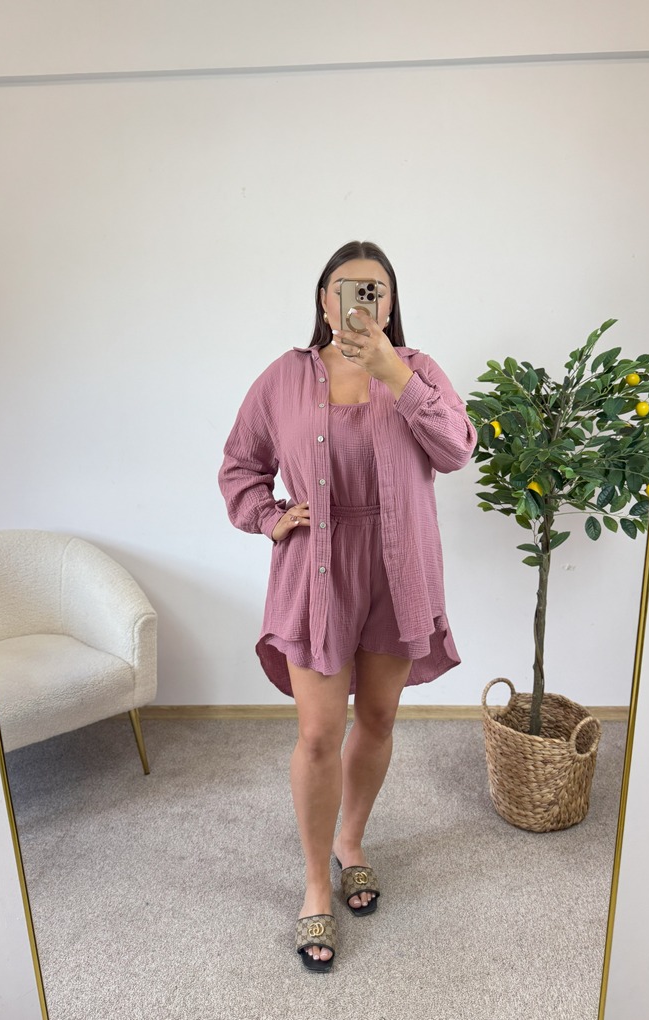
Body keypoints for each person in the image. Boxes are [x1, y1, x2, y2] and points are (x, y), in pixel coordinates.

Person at [218, 240, 476, 972]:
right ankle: (313, 885)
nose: (360, 299)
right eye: (345, 287)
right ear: (323, 299)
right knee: (317, 734)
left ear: (391, 302)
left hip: (398, 569)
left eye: (375, 288)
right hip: (318, 571)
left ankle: (351, 842)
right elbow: (239, 465)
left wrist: (393, 373)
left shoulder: (417, 370)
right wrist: (270, 516)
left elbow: (457, 449)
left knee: (381, 717)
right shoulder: (284, 377)